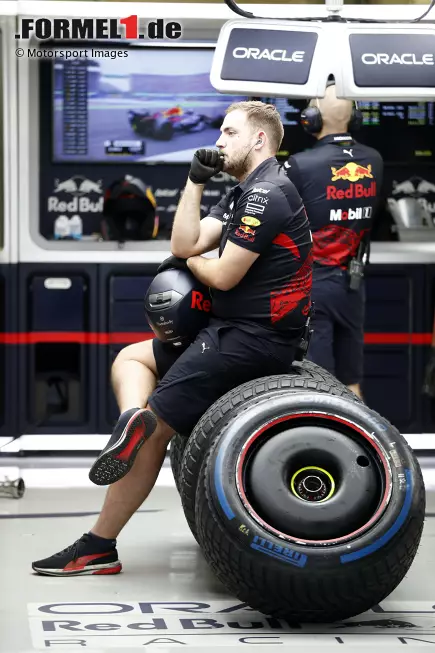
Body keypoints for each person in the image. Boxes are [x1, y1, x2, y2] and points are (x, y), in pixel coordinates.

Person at [32, 101, 313, 576]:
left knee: (155, 437)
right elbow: (182, 244)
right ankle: (132, 420)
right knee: (131, 359)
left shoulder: (268, 193)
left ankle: (98, 546)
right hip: (230, 330)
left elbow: (220, 275)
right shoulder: (244, 192)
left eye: (229, 132)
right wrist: (195, 181)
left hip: (255, 339)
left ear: (259, 140)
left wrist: (193, 268)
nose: (219, 141)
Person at [283, 83, 384, 399]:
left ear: (311, 118)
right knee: (351, 383)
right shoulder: (375, 160)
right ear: (354, 118)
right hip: (353, 286)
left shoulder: (299, 165)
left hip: (314, 285)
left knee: (319, 384)